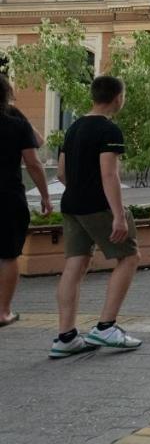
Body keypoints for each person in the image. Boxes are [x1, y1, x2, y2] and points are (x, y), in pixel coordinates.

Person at [51, 75, 142, 358]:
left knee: (75, 264)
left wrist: (79, 190)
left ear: (93, 96)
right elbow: (109, 174)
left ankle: (65, 337)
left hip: (71, 205)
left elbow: (61, 173)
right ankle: (106, 326)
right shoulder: (109, 130)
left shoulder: (74, 127)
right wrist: (118, 215)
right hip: (97, 205)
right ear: (118, 97)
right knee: (129, 256)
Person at [1, 74, 53, 328]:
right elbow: (33, 160)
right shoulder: (15, 124)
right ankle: (3, 312)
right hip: (7, 196)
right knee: (8, 255)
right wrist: (44, 195)